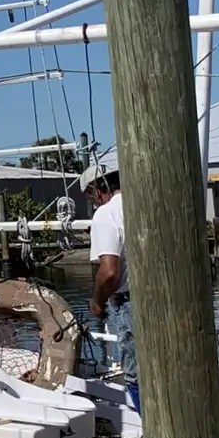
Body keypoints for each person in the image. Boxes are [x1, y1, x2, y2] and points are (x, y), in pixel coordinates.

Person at [84, 157, 136, 406]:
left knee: (137, 374)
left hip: (132, 302)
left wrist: (97, 301)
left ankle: (151, 428)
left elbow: (109, 272)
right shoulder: (143, 204)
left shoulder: (106, 213)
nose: (93, 201)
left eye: (90, 195)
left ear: (98, 189)